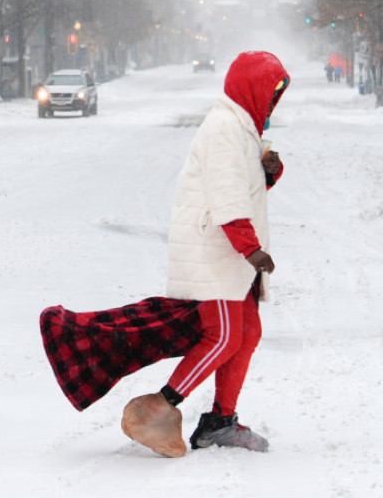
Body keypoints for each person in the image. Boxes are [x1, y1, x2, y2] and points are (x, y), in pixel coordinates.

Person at [120, 50, 290, 458]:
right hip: (213, 250)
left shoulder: (241, 128)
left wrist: (268, 171)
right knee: (225, 335)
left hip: (226, 252)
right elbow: (227, 198)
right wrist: (251, 249)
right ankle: (156, 408)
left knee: (247, 335)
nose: (271, 102)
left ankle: (219, 423)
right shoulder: (224, 128)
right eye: (269, 92)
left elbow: (244, 187)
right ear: (251, 88)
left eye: (276, 95)